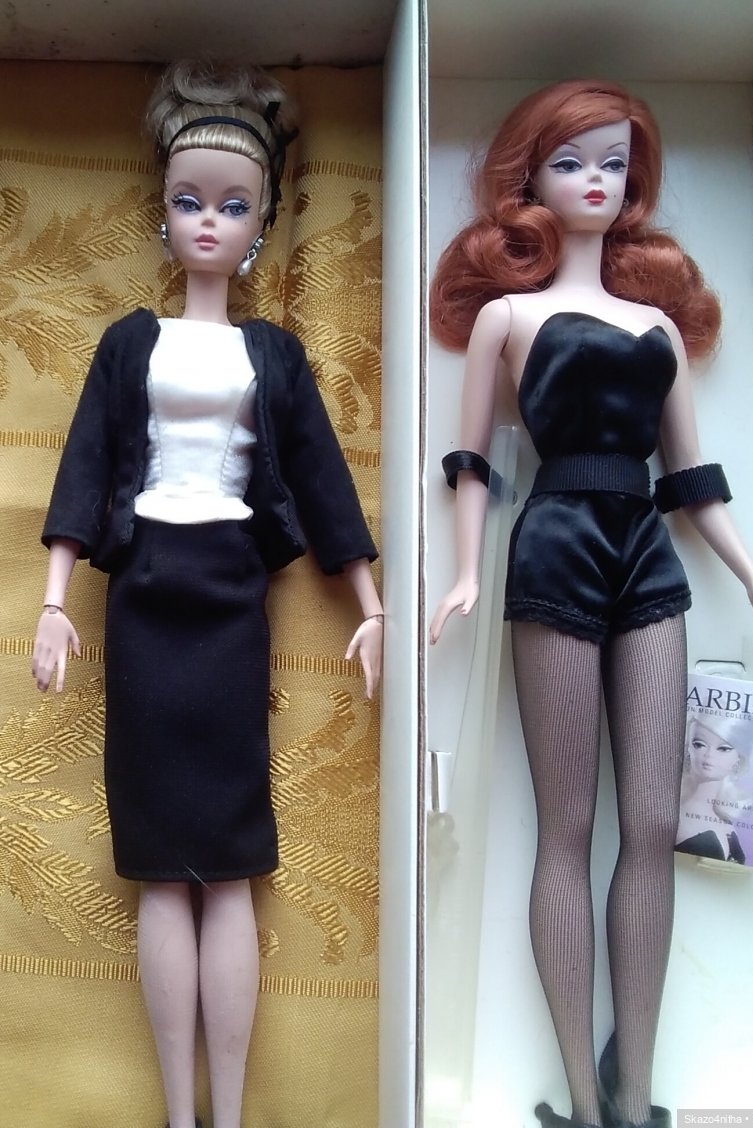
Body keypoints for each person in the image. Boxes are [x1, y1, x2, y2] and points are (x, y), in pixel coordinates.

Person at [30, 59, 383, 1128]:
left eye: (233, 205)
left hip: (231, 596)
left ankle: (226, 1114)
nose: (209, 222)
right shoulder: (127, 344)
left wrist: (369, 605)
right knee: (157, 862)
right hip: (143, 597)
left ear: (263, 223)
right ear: (164, 211)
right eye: (191, 201)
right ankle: (179, 1116)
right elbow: (85, 465)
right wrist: (53, 601)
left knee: (227, 863)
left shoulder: (273, 353)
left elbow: (321, 478)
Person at [428, 80, 753, 1128]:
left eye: (614, 163)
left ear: (634, 183)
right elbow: (471, 461)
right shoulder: (507, 317)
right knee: (567, 826)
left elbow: (691, 478)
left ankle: (635, 1091)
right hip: (553, 548)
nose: (595, 180)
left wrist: (750, 575)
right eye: (571, 161)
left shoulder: (657, 328)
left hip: (645, 555)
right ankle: (582, 1102)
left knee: (655, 820)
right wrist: (465, 570)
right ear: (530, 178)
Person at [675, 714, 753, 864]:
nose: (709, 755)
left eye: (723, 748)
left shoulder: (724, 818)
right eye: (699, 744)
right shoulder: (676, 814)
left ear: (739, 757)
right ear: (689, 748)